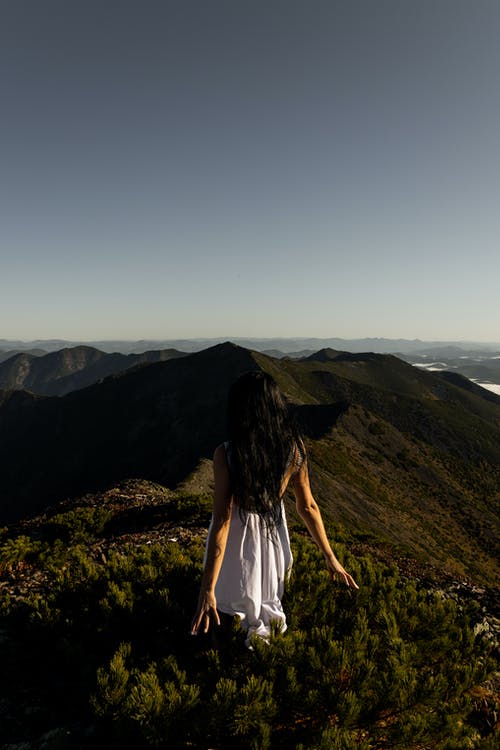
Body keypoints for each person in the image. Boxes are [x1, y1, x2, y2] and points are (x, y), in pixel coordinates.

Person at [191, 371, 358, 646]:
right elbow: (308, 506)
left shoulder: (227, 453)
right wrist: (330, 556)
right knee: (267, 606)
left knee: (234, 614)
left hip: (238, 541)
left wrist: (207, 588)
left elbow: (222, 521)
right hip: (272, 537)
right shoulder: (294, 449)